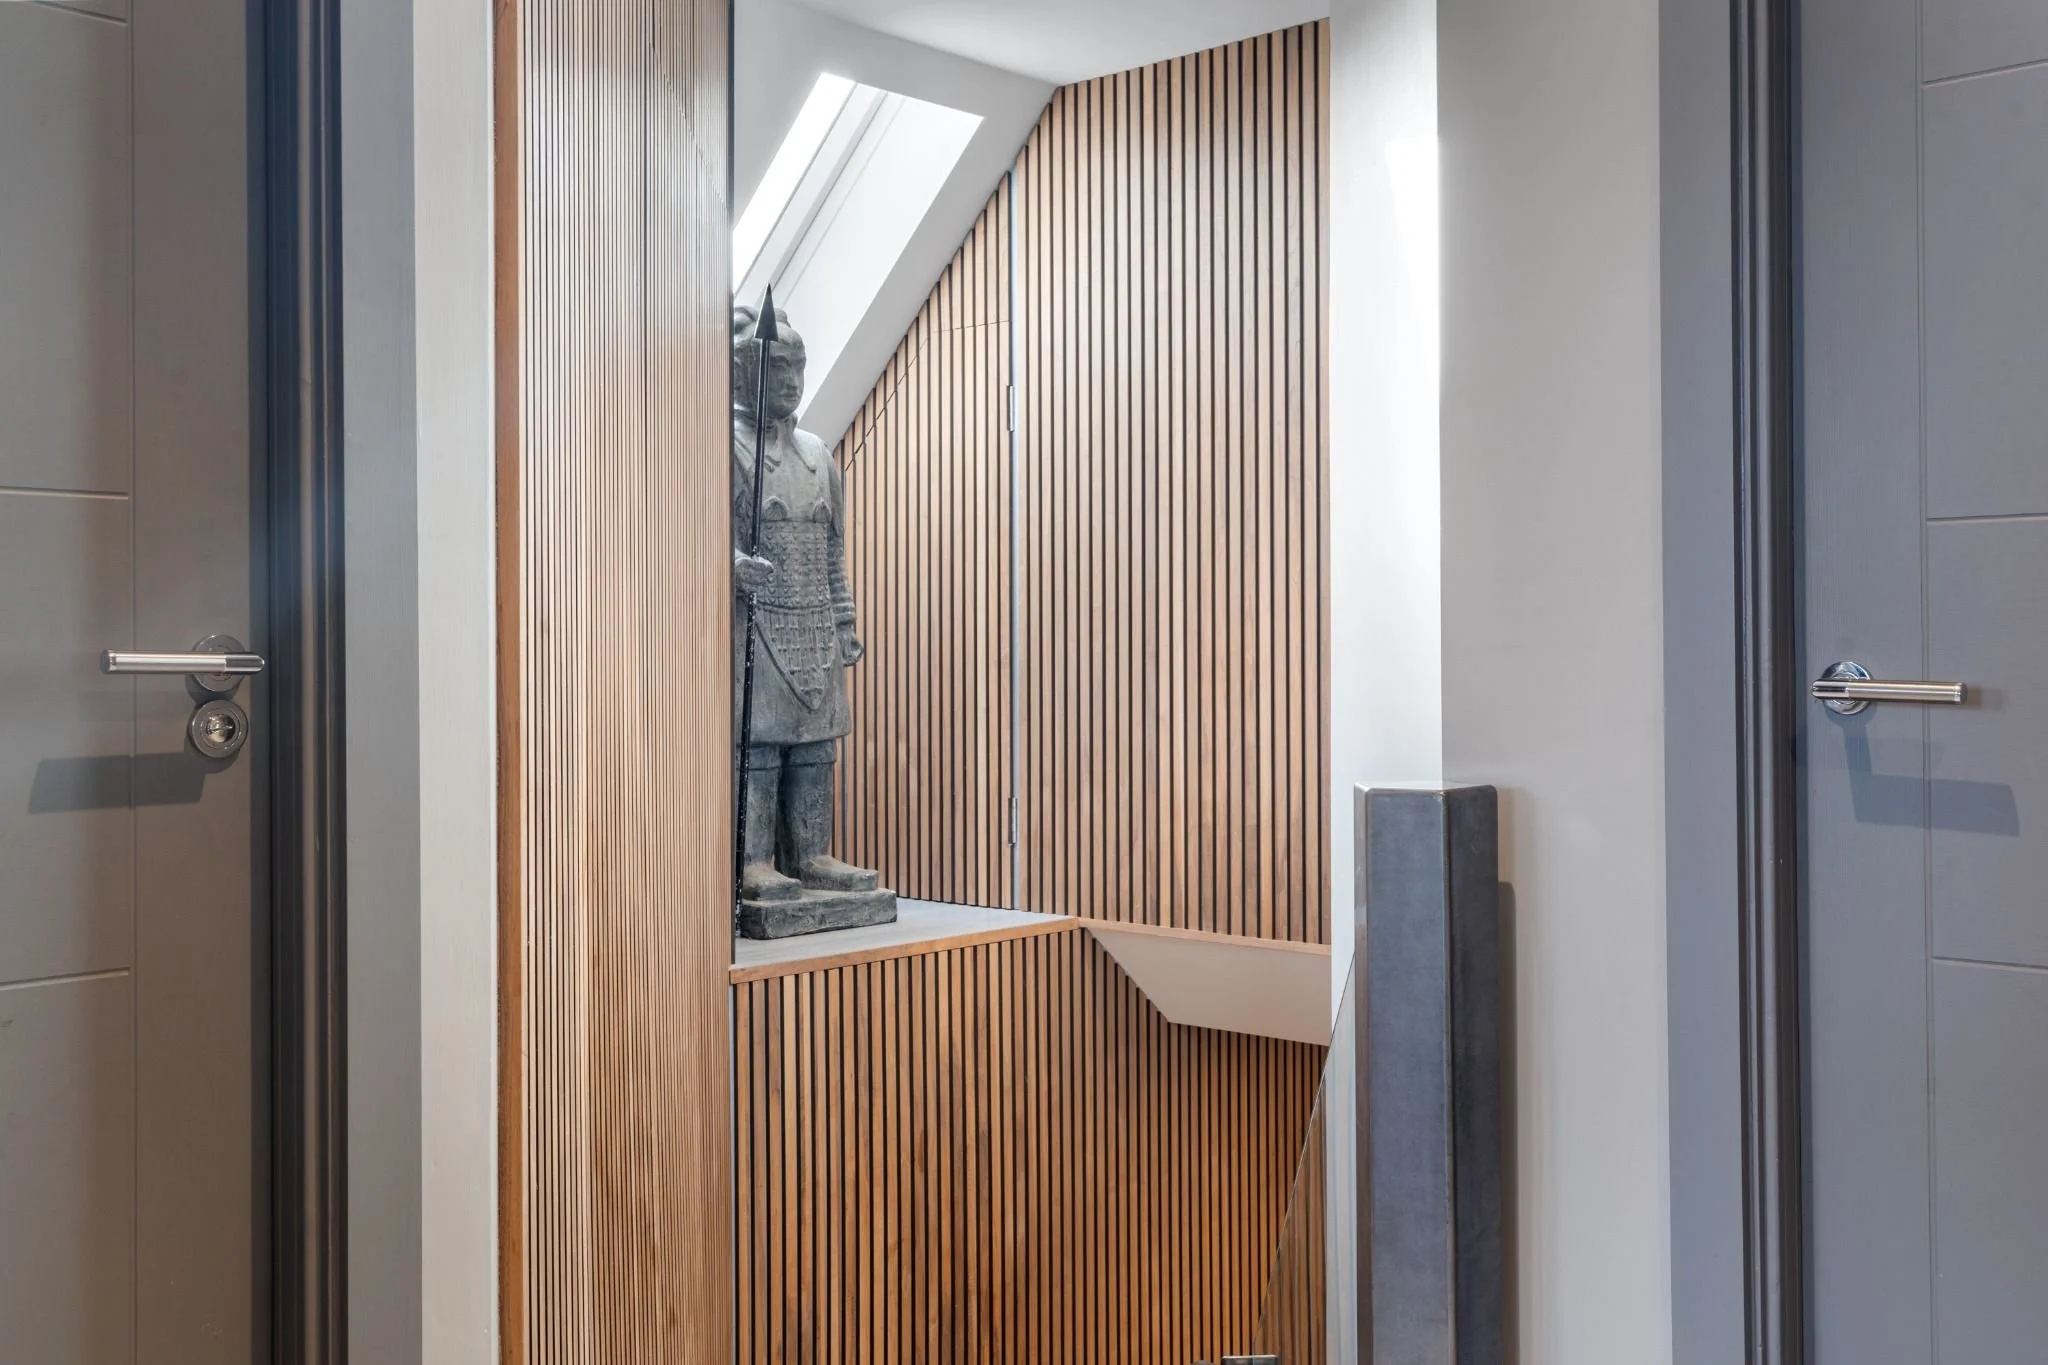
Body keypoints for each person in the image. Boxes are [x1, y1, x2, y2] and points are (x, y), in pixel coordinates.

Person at [731, 304, 881, 903]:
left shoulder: (819, 455)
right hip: (756, 622)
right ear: (744, 373)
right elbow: (686, 544)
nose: (792, 380)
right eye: (779, 368)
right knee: (760, 745)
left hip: (814, 622)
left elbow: (833, 550)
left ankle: (812, 853)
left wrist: (844, 621)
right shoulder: (722, 447)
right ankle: (754, 860)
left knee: (816, 745)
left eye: (798, 367)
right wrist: (731, 565)